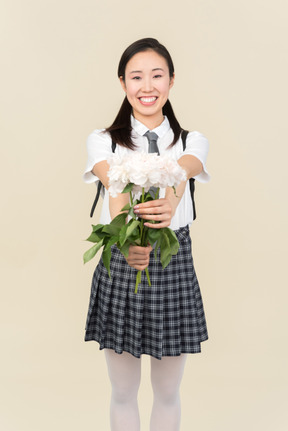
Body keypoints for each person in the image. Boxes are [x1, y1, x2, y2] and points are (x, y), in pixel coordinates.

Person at [83, 37, 210, 431]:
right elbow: (114, 185)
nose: (147, 86)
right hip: (123, 261)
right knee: (122, 390)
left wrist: (172, 197)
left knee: (168, 391)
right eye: (136, 77)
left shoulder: (192, 140)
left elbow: (188, 165)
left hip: (173, 262)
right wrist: (129, 242)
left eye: (157, 75)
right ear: (123, 83)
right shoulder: (103, 140)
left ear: (172, 81)